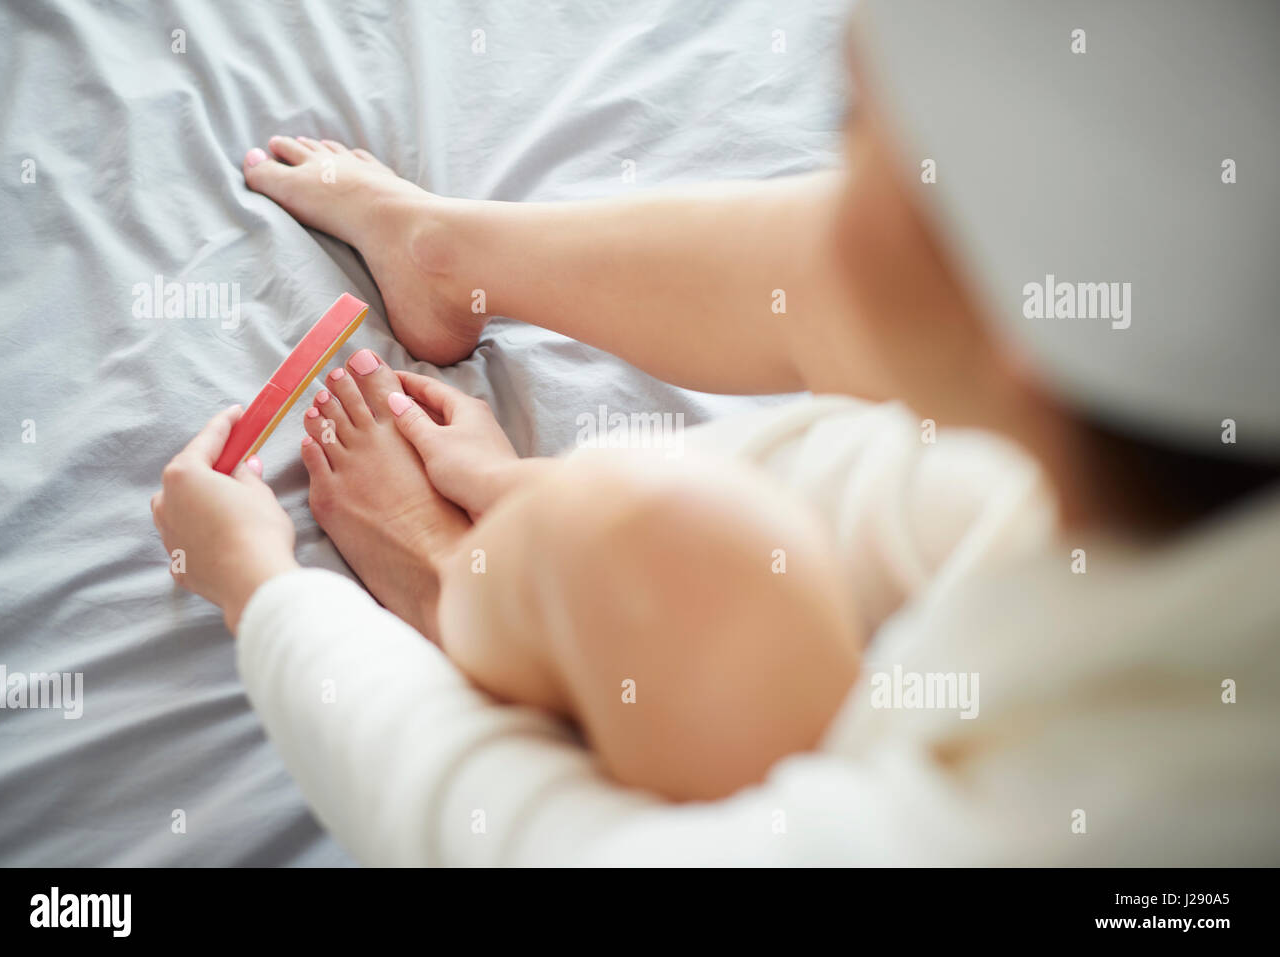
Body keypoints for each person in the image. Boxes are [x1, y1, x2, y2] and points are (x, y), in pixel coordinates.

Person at [151, 0, 1279, 863]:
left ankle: (452, 596)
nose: (822, 185)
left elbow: (540, 846)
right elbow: (882, 487)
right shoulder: (1163, 443)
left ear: (1016, 343)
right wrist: (525, 495)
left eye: (854, 129)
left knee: (654, 543)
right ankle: (445, 260)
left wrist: (265, 594)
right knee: (659, 528)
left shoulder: (1099, 832)